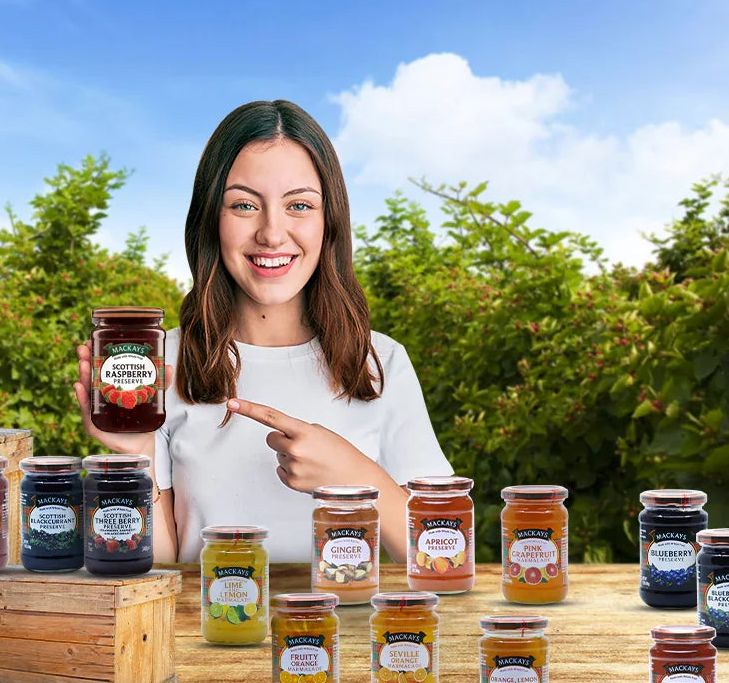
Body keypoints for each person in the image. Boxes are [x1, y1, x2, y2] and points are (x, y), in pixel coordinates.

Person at [74, 99, 451, 564]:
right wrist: (136, 452)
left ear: (329, 219)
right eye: (245, 205)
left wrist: (357, 475)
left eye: (298, 205)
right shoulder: (161, 365)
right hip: (207, 636)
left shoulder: (382, 362)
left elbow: (443, 556)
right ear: (211, 219)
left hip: (346, 635)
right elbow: (166, 573)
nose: (272, 234)